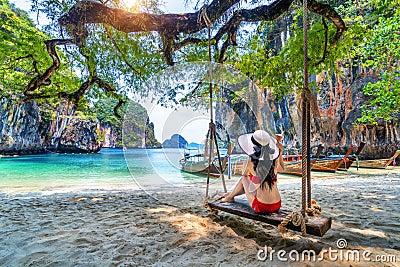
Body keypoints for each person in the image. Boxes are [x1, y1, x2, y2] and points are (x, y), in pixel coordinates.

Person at [221, 130, 285, 213]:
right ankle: (230, 195)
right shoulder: (273, 161)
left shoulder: (251, 160)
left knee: (244, 179)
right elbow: (282, 169)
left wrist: (247, 163)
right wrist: (280, 153)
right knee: (255, 181)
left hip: (262, 206)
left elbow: (244, 175)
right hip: (277, 204)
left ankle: (230, 197)